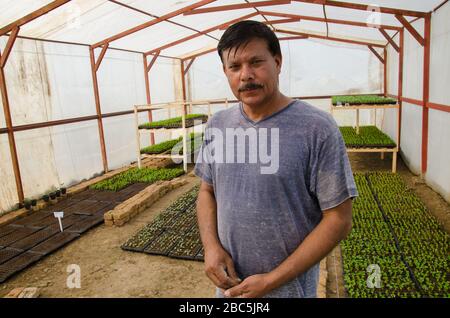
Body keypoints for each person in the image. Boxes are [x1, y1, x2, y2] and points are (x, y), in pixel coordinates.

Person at [194, 20, 358, 298]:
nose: (245, 75)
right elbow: (206, 191)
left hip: (289, 291)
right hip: (230, 292)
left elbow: (339, 219)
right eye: (234, 67)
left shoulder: (316, 128)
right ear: (225, 72)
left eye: (256, 62)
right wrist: (211, 247)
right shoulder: (218, 125)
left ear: (278, 62)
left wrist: (271, 280)